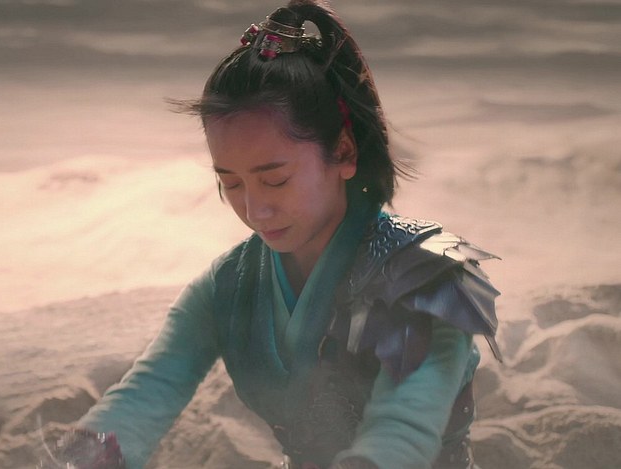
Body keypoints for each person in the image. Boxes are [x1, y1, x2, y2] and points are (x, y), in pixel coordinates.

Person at [64, 1, 501, 468]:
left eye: (275, 180)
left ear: (344, 152)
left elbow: (403, 430)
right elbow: (148, 390)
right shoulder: (228, 285)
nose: (255, 210)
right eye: (231, 183)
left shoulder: (427, 278)